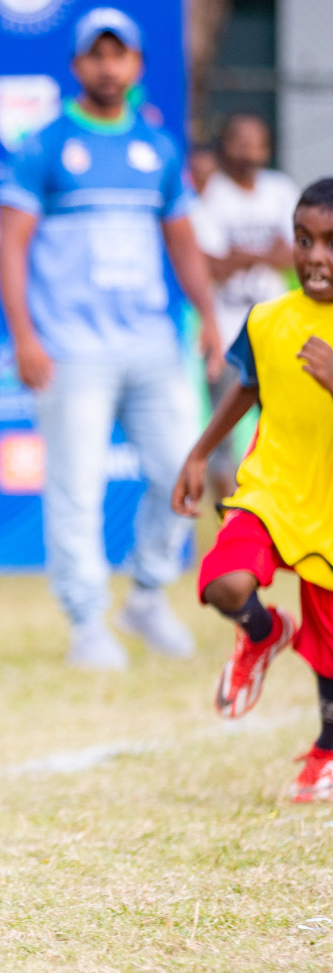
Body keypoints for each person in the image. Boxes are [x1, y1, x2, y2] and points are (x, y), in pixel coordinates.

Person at [0, 7, 225, 670]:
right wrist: (25, 336)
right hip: (71, 346)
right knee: (76, 487)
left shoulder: (157, 148)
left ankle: (149, 593)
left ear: (138, 67)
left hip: (153, 341)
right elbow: (10, 247)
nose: (107, 65)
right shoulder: (45, 144)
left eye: (118, 54)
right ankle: (87, 622)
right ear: (76, 66)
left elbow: (181, 238)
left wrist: (207, 315)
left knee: (179, 469)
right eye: (95, 55)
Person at [172, 178, 333, 801]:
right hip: (271, 489)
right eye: (303, 241)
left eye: (330, 243)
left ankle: (325, 752)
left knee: (329, 656)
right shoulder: (268, 319)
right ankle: (262, 633)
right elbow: (247, 384)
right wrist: (200, 453)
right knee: (222, 582)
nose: (315, 257)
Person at [191, 113, 300, 499]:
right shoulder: (211, 194)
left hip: (276, 332)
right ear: (225, 145)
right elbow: (211, 264)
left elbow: (299, 253)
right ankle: (228, 517)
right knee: (224, 429)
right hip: (227, 331)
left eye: (257, 142)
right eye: (241, 141)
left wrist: (244, 255)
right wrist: (264, 254)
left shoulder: (281, 189)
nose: (250, 150)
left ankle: (277, 507)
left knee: (281, 422)